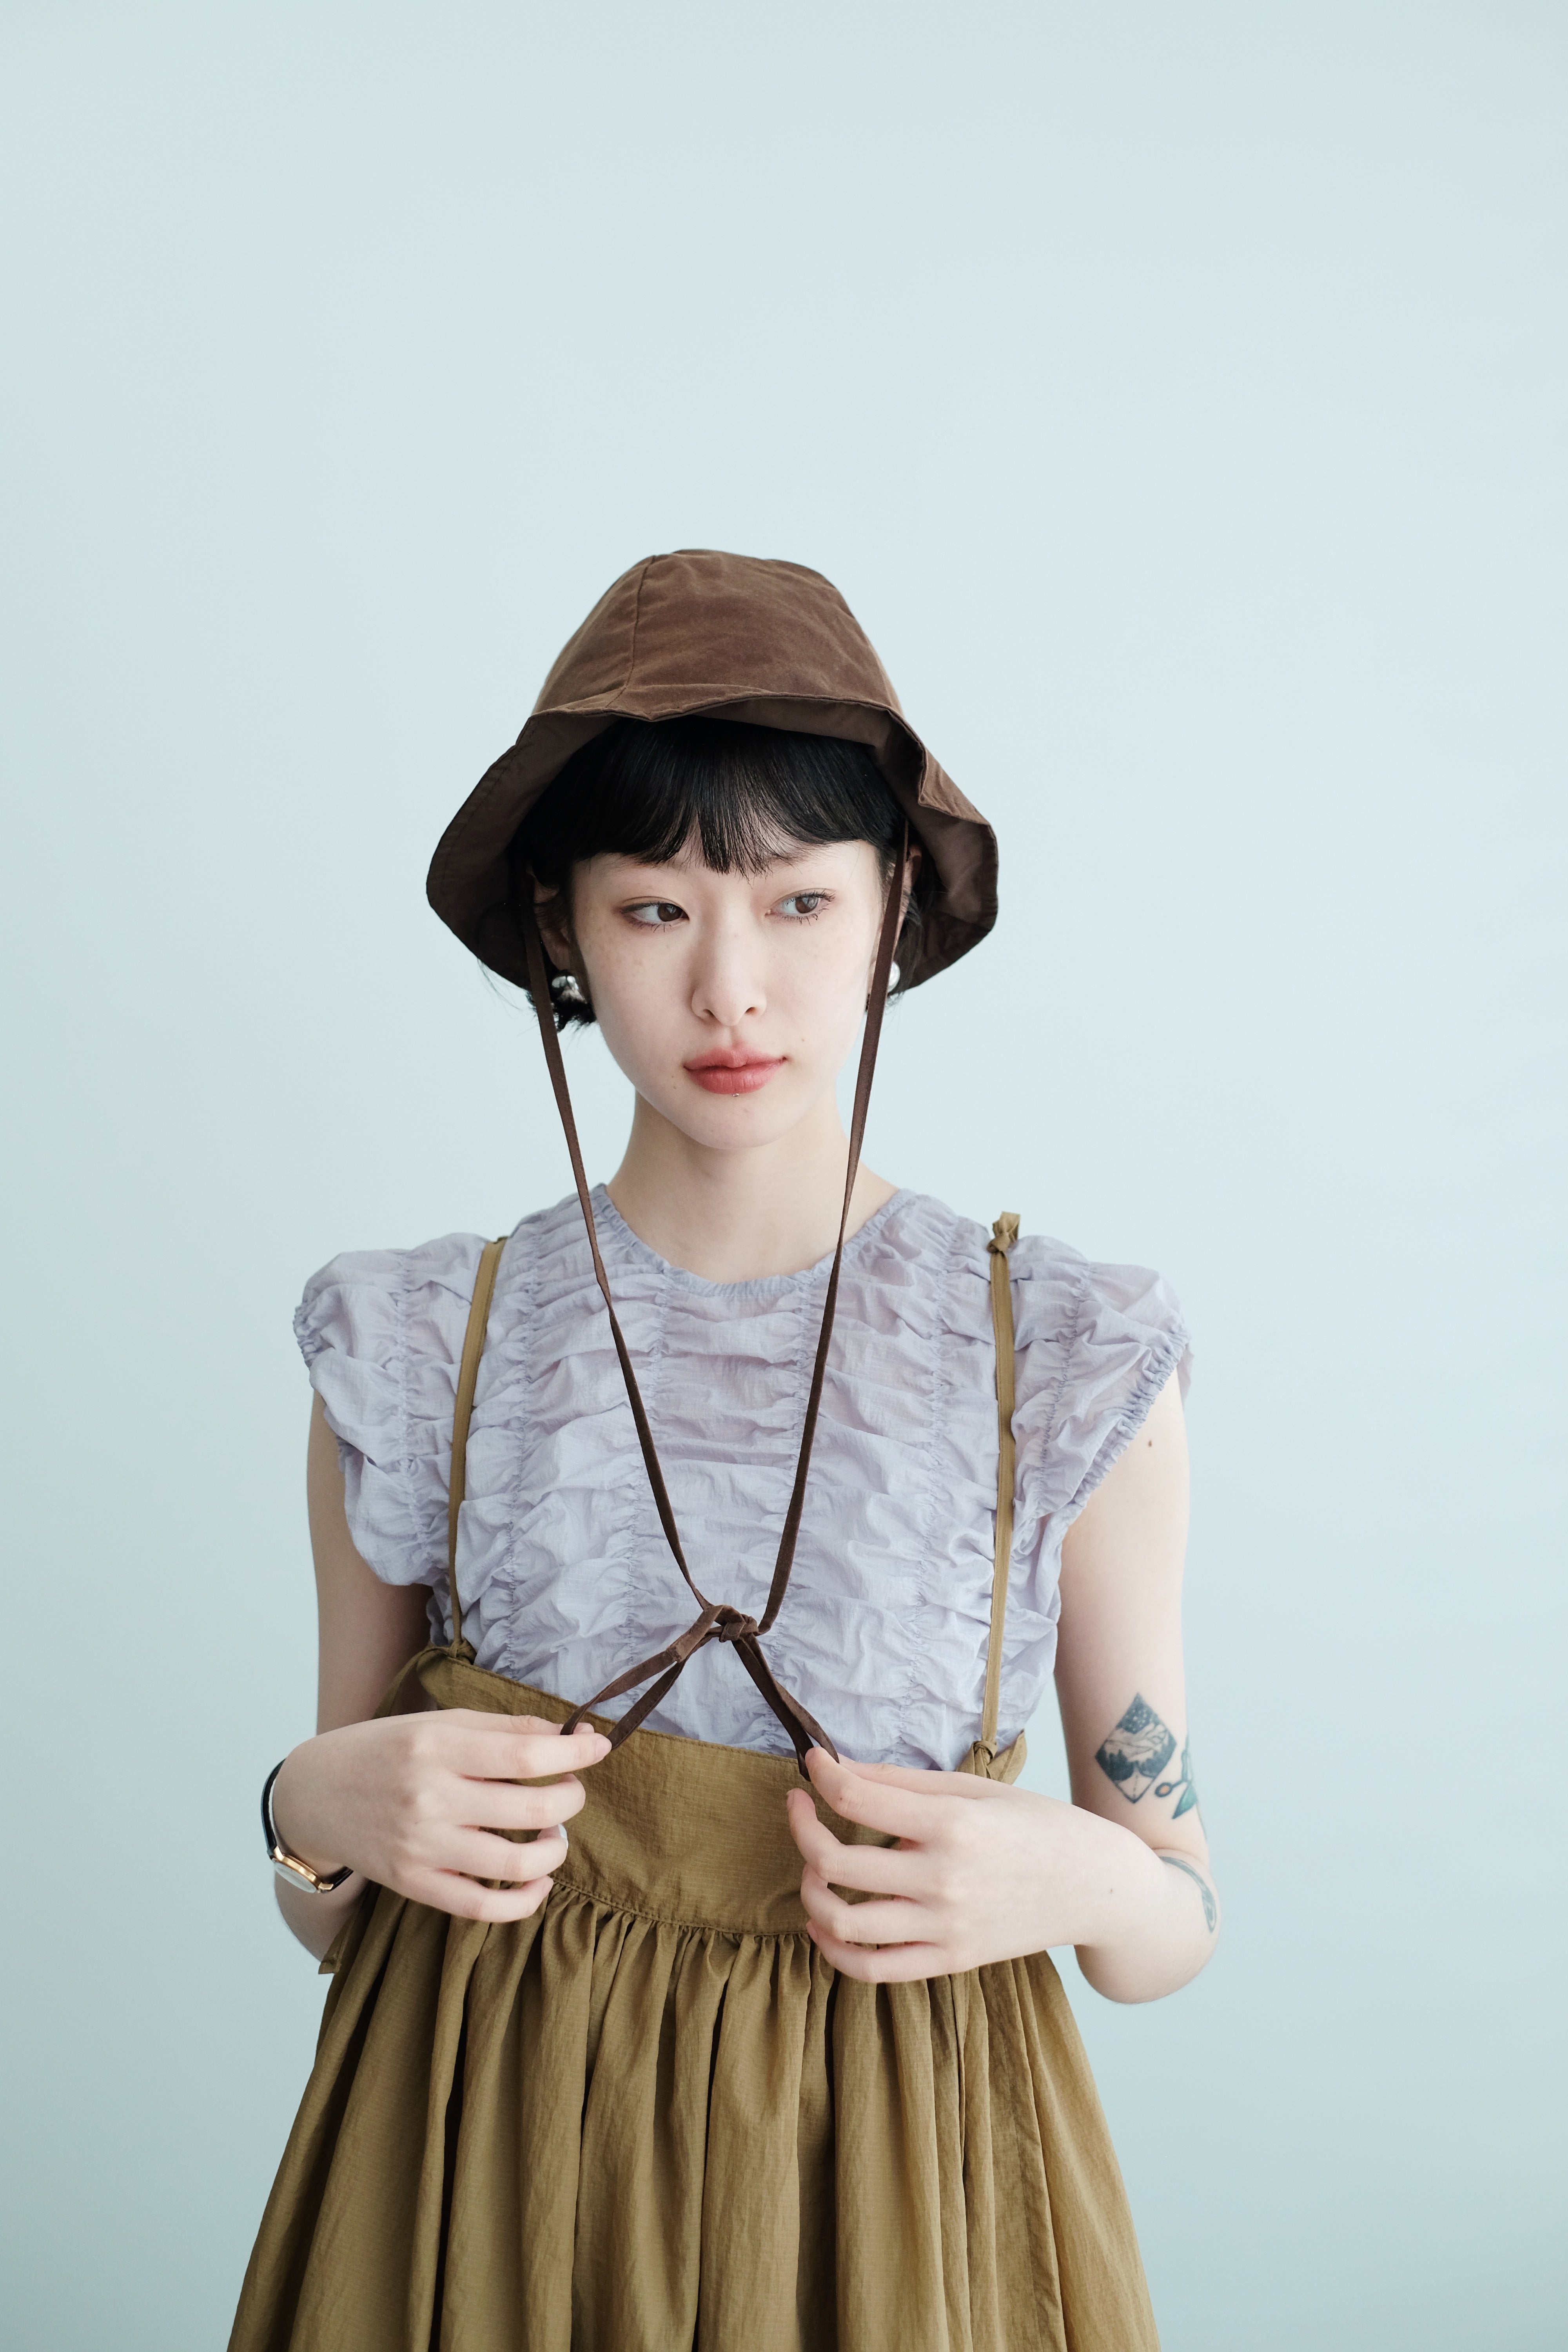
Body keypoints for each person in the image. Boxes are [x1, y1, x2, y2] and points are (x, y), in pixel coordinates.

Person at [230, 550, 1217, 2352]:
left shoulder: (1065, 1354)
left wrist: (1083, 1878)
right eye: (655, 909)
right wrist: (306, 1808)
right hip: (485, 2177)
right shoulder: (420, 1342)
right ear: (561, 927)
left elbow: (1167, 1919)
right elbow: (343, 1912)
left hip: (897, 2198)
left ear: (893, 905)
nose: (731, 989)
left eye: (798, 901)